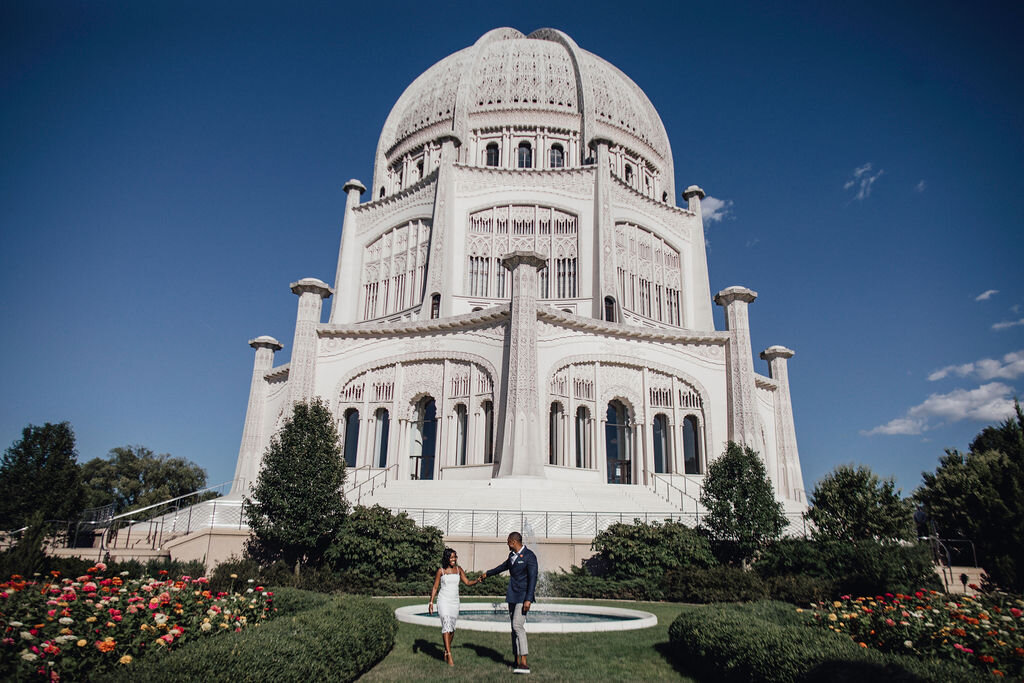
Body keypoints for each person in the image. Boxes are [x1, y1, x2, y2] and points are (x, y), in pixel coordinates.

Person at [480, 531, 538, 674]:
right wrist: (487, 573)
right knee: (513, 629)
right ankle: (516, 660)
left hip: (524, 596)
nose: (507, 543)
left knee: (518, 625)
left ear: (513, 542)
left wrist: (528, 599)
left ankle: (524, 662)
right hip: (513, 595)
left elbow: (533, 579)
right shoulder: (512, 556)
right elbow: (502, 567)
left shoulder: (530, 556)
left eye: (508, 541)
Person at [428, 547, 480, 666]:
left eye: (455, 557)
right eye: (451, 557)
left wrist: (477, 580)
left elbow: (467, 582)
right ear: (447, 558)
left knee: (451, 629)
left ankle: (446, 650)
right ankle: (449, 655)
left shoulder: (458, 569)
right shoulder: (441, 571)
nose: (454, 559)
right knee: (446, 624)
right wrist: (431, 602)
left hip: (454, 602)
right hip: (443, 601)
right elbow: (435, 587)